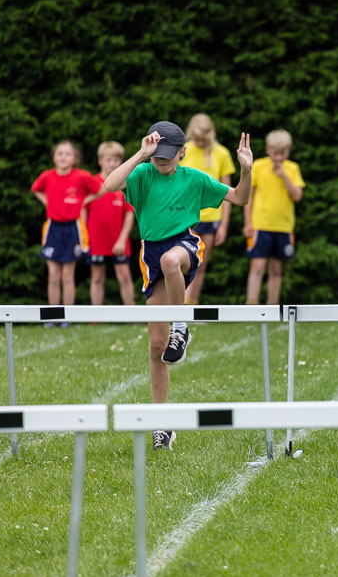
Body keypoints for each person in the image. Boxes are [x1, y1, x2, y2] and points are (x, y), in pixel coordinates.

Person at [104, 122, 252, 449]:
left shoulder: (194, 179)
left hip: (184, 244)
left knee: (172, 262)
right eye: (158, 157)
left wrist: (246, 169)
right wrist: (141, 154)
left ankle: (182, 326)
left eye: (169, 157)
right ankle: (162, 424)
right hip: (150, 253)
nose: (163, 162)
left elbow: (240, 198)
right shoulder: (143, 173)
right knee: (157, 347)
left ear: (183, 152)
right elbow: (109, 184)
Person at [32, 140, 103, 325]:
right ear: (54, 157)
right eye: (60, 153)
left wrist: (84, 201)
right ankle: (52, 316)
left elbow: (100, 189)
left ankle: (67, 317)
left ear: (75, 159)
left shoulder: (81, 176)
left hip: (73, 228)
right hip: (53, 228)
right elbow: (36, 189)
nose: (63, 157)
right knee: (53, 275)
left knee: (67, 275)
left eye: (68, 154)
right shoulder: (47, 176)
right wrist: (48, 203)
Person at [179, 113, 237, 305]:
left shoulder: (222, 153)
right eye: (196, 139)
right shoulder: (183, 150)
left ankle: (191, 304)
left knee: (200, 264)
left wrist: (223, 225)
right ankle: (179, 305)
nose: (199, 143)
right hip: (187, 217)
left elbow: (229, 193)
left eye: (202, 140)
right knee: (183, 262)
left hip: (212, 218)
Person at [243, 129, 305, 305]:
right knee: (257, 266)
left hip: (284, 227)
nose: (279, 157)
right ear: (268, 149)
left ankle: (272, 308)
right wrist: (248, 223)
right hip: (260, 225)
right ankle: (251, 305)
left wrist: (283, 175)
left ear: (289, 151)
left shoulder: (292, 168)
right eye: (275, 153)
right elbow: (249, 197)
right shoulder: (258, 166)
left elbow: (297, 195)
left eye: (283, 153)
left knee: (276, 269)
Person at [86, 141, 136, 307]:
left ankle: (133, 316)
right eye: (109, 159)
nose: (113, 163)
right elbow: (82, 210)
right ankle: (95, 319)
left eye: (116, 160)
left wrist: (122, 239)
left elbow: (130, 213)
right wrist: (85, 237)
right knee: (97, 276)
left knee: (124, 275)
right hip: (96, 240)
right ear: (100, 160)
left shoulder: (124, 184)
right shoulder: (91, 184)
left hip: (118, 239)